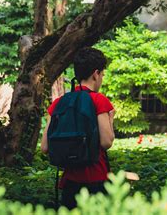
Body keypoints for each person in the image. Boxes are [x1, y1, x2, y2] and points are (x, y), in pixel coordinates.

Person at [41, 47, 115, 210]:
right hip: (97, 180)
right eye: (102, 74)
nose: (101, 79)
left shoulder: (59, 103)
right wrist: (110, 118)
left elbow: (45, 147)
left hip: (69, 183)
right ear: (96, 74)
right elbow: (106, 142)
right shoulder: (99, 100)